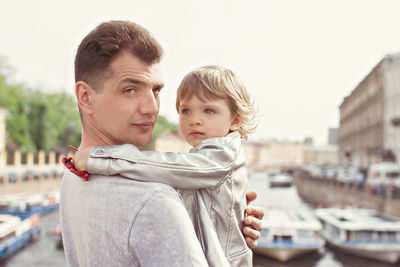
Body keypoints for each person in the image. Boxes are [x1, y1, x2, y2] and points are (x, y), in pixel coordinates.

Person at [60, 20, 263, 267]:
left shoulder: (73, 175)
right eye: (130, 90)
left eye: (155, 90)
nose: (152, 108)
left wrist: (225, 225)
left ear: (235, 119)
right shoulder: (154, 201)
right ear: (85, 97)